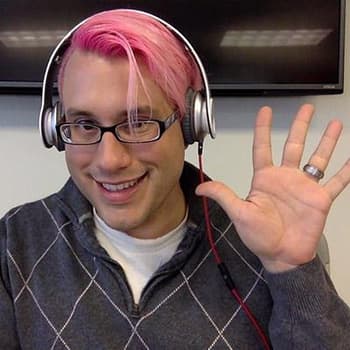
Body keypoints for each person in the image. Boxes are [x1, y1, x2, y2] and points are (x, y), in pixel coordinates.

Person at [1, 9, 349, 350]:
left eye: (138, 123)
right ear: (56, 131)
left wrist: (291, 272)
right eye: (85, 125)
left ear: (190, 125)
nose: (109, 160)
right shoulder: (16, 243)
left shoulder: (259, 241)